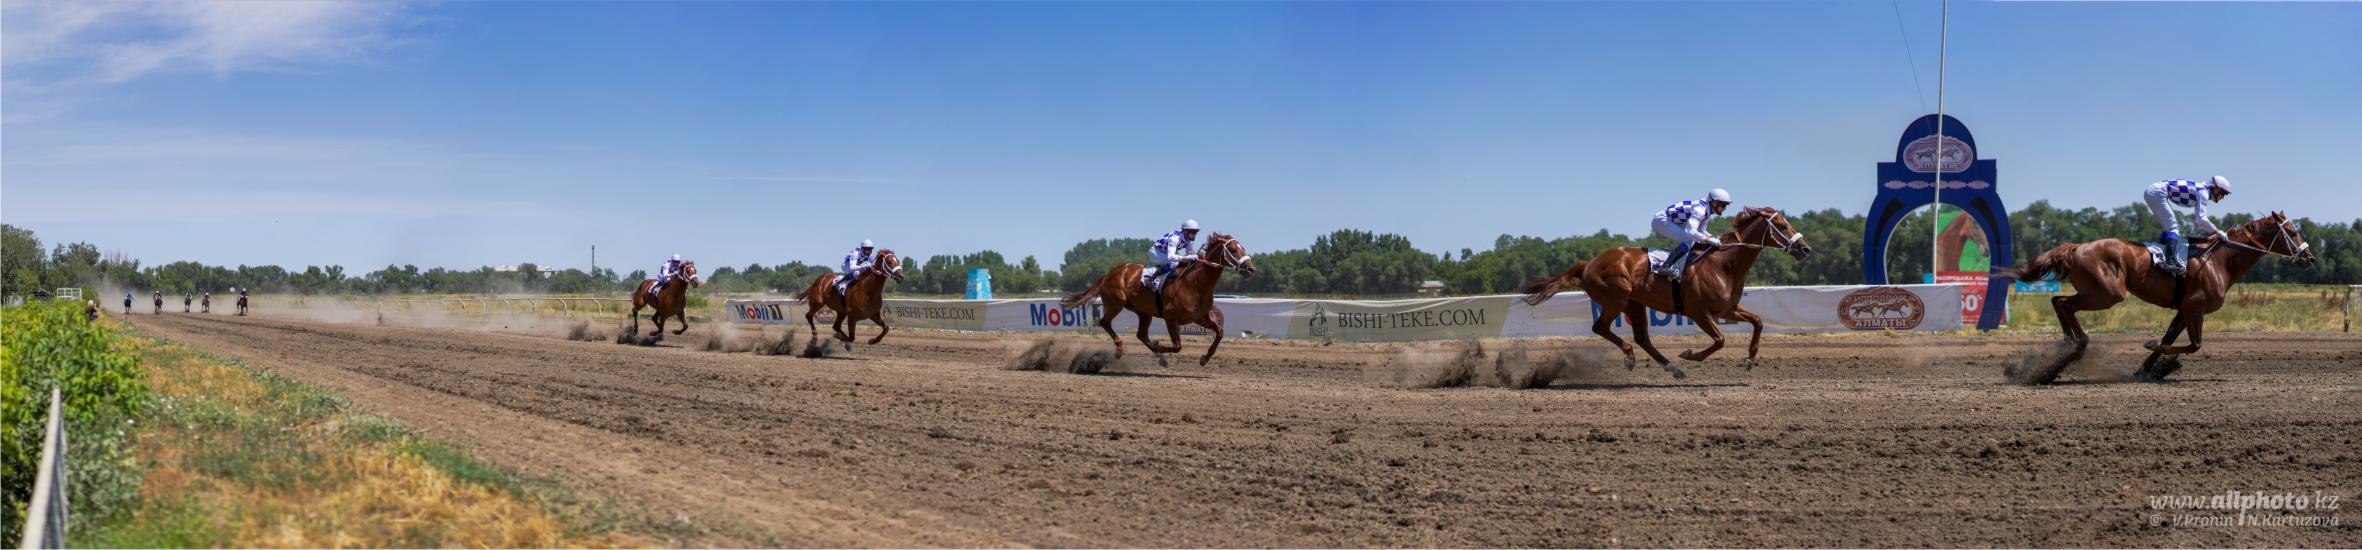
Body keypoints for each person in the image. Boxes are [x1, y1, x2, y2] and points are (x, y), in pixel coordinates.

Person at [2144, 176, 2232, 276]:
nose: (2222, 197)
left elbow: (2199, 219)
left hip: (2155, 191)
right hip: (2157, 192)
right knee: (2173, 227)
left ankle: (2164, 253)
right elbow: (2201, 219)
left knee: (2169, 227)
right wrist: (2218, 232)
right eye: (2223, 193)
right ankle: (2169, 261)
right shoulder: (2203, 192)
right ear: (2216, 189)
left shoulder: (2201, 190)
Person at [1651, 189, 1733, 282]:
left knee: (1695, 239)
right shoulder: (1700, 210)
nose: (1725, 208)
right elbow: (1691, 231)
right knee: (1689, 239)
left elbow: (1701, 231)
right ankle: (1665, 266)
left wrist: (1713, 237)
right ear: (1714, 202)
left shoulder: (1706, 211)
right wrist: (1710, 240)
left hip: (1668, 221)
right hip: (1661, 221)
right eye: (1723, 205)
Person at [1145, 220, 1201, 291]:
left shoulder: (1188, 240)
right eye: (1193, 232)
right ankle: (1151, 279)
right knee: (1175, 262)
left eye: (1196, 232)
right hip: (1155, 253)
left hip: (1164, 253)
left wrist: (1196, 256)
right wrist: (1187, 257)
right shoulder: (1175, 239)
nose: (1195, 234)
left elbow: (1190, 253)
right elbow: (1170, 257)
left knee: (1184, 261)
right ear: (1186, 232)